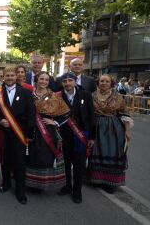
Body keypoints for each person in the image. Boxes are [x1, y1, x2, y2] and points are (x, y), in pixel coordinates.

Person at [0, 66, 35, 204]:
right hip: (3, 132)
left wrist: (29, 133)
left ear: (16, 77)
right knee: (5, 160)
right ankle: (6, 183)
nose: (9, 78)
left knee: (20, 162)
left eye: (12, 75)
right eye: (7, 75)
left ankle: (20, 190)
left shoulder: (26, 92)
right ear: (3, 77)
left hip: (19, 132)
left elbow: (31, 114)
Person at [87, 74, 133, 194]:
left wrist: (127, 130)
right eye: (102, 81)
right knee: (94, 151)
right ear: (98, 82)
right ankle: (94, 178)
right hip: (95, 126)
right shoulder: (91, 96)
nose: (104, 83)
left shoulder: (118, 97)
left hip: (113, 128)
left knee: (111, 151)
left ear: (111, 83)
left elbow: (124, 113)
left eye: (107, 81)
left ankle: (109, 182)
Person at [26, 71, 69, 192]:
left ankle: (42, 184)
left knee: (44, 156)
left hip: (47, 131)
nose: (44, 82)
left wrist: (54, 122)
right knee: (31, 156)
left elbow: (66, 113)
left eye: (46, 80)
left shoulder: (54, 96)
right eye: (41, 79)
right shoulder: (29, 94)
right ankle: (30, 183)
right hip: (31, 129)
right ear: (36, 80)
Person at [57, 73, 95, 203]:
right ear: (62, 83)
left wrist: (92, 137)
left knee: (79, 165)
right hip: (64, 135)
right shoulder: (58, 96)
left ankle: (77, 191)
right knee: (66, 163)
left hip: (81, 135)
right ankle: (68, 186)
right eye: (65, 81)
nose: (67, 83)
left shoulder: (85, 95)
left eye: (70, 80)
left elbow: (91, 117)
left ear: (75, 82)